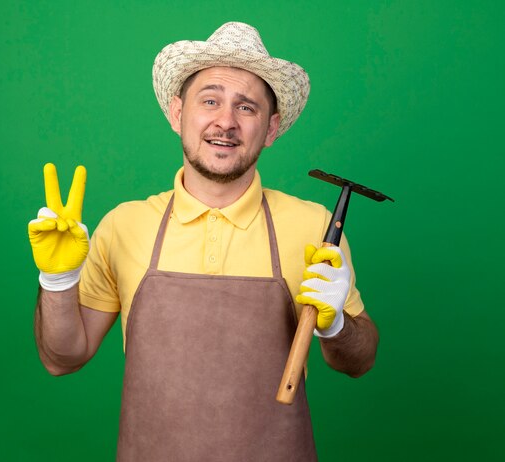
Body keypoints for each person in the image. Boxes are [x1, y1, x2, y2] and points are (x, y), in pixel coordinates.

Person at [28, 22, 379, 462]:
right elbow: (62, 358)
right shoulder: (125, 225)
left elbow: (359, 361)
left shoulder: (312, 226)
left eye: (246, 108)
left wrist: (336, 326)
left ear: (270, 129)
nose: (225, 121)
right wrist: (58, 281)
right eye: (209, 100)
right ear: (178, 114)